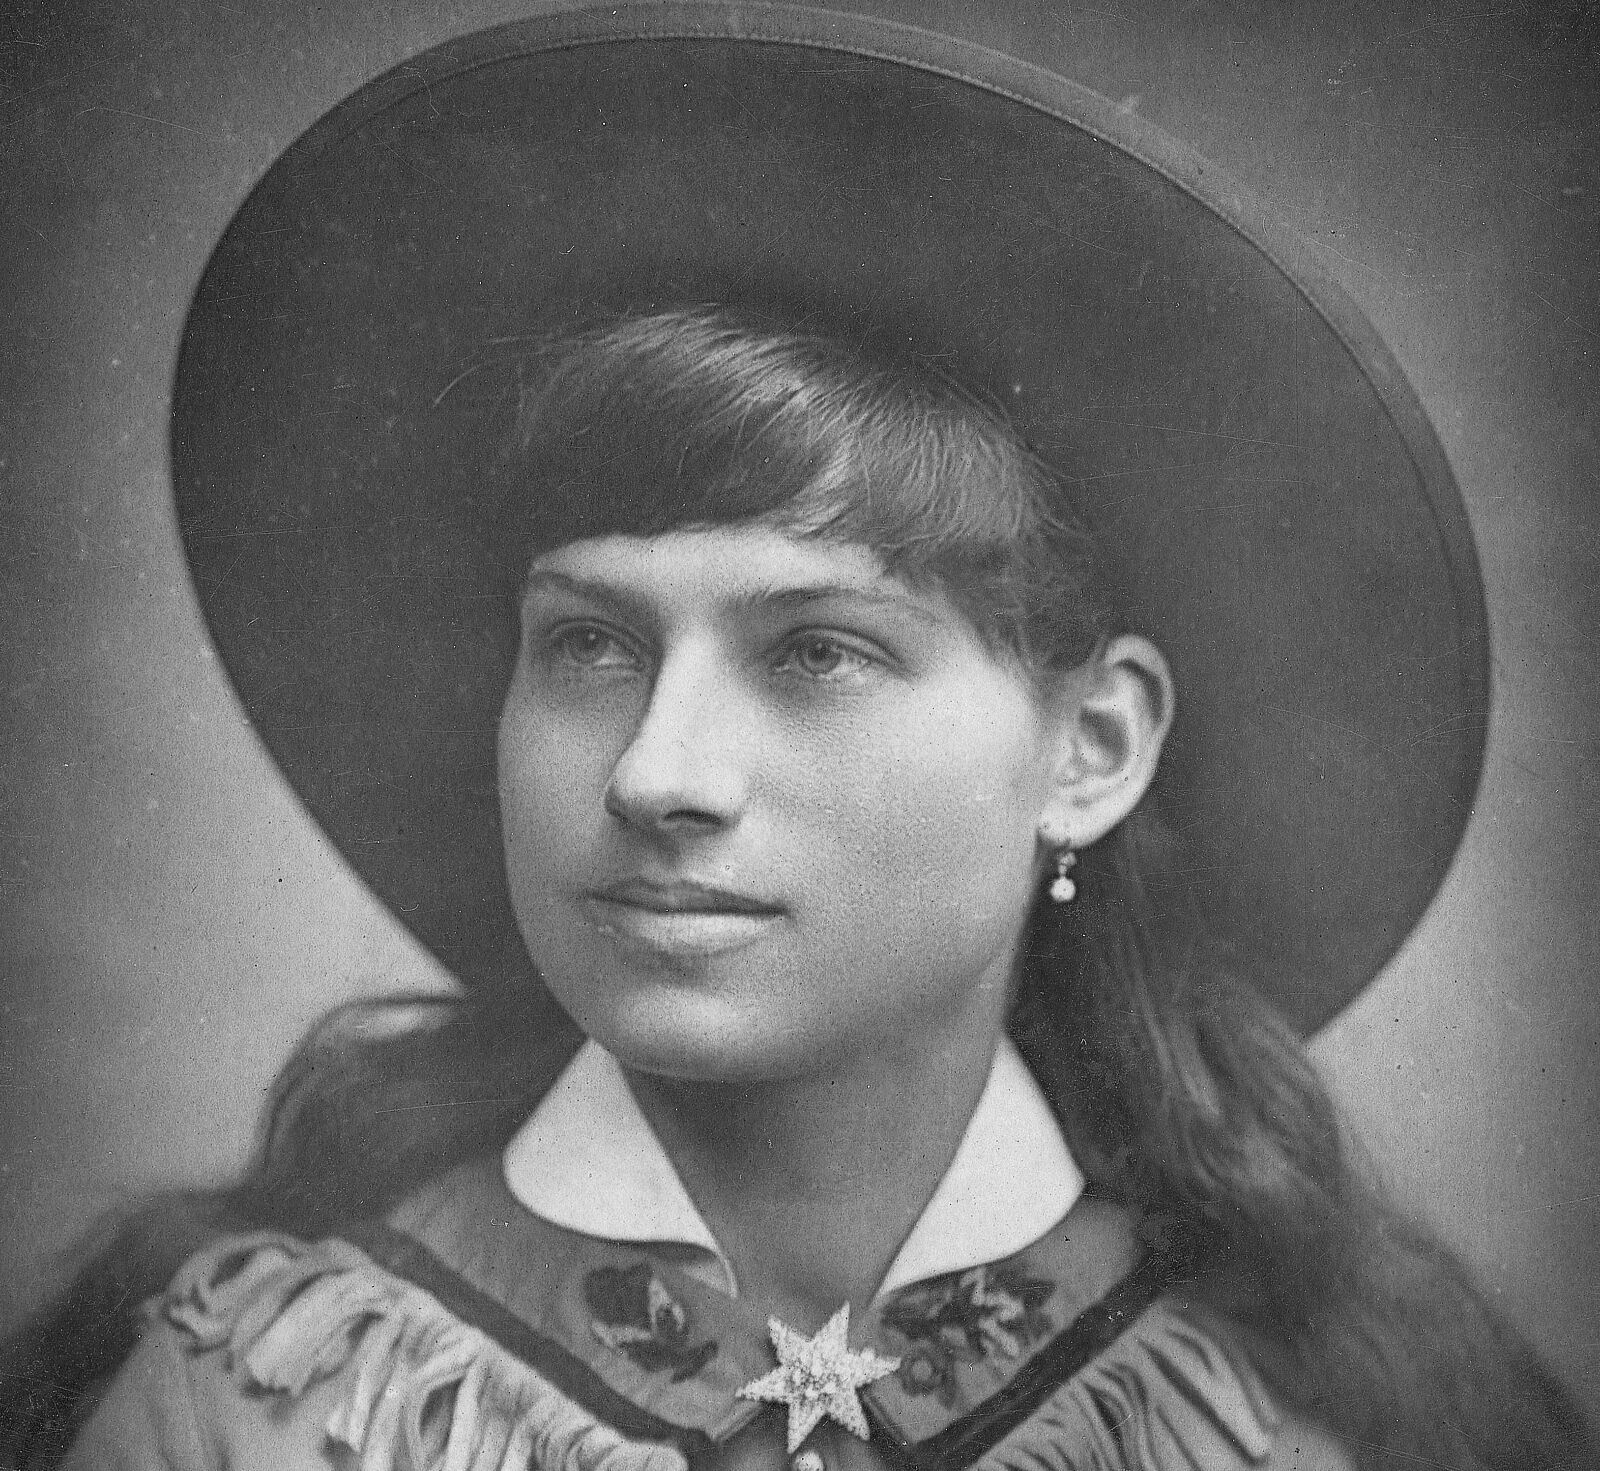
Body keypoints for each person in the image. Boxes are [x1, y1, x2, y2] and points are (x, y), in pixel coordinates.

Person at [0, 8, 1591, 1470]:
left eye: (818, 652)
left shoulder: (1304, 1424)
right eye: (590, 644)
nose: (655, 774)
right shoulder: (256, 1411)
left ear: (1091, 748)